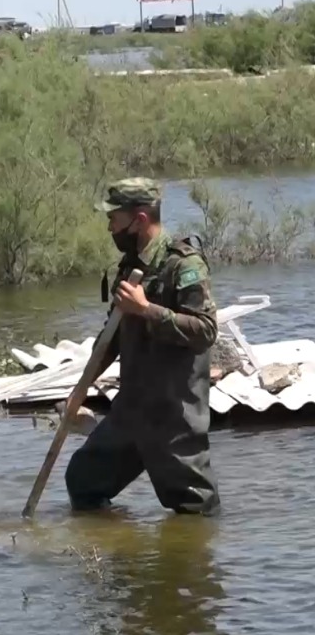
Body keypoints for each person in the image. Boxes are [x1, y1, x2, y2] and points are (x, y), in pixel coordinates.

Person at [65, 178, 220, 516]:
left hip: (173, 416)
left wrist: (146, 309)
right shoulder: (128, 267)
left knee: (195, 510)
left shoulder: (184, 265)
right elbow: (112, 337)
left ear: (140, 219)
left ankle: (186, 565)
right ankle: (123, 559)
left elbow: (205, 331)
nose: (109, 228)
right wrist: (81, 388)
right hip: (132, 411)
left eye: (114, 219)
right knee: (82, 481)